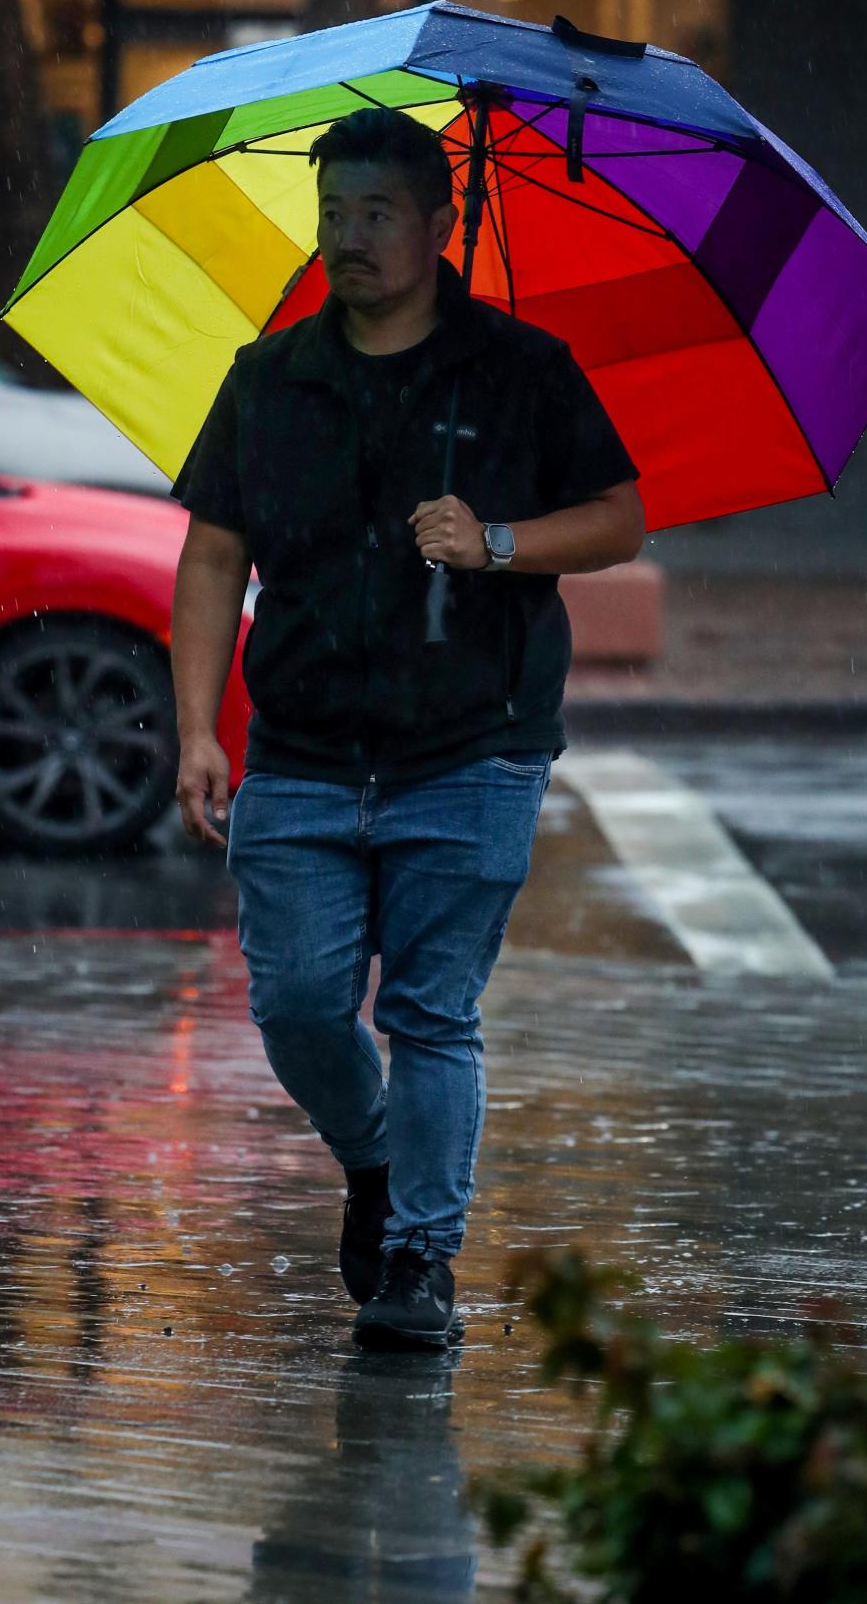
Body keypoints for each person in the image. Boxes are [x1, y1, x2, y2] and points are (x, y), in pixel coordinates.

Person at [169, 106, 643, 1350]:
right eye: (333, 215)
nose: (350, 239)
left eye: (377, 214)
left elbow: (617, 520)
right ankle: (372, 1157)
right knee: (300, 1004)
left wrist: (494, 544)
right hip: (307, 747)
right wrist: (195, 732)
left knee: (432, 1011)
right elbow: (215, 553)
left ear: (441, 226)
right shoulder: (271, 380)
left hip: (471, 745)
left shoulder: (520, 372)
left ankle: (422, 1263)